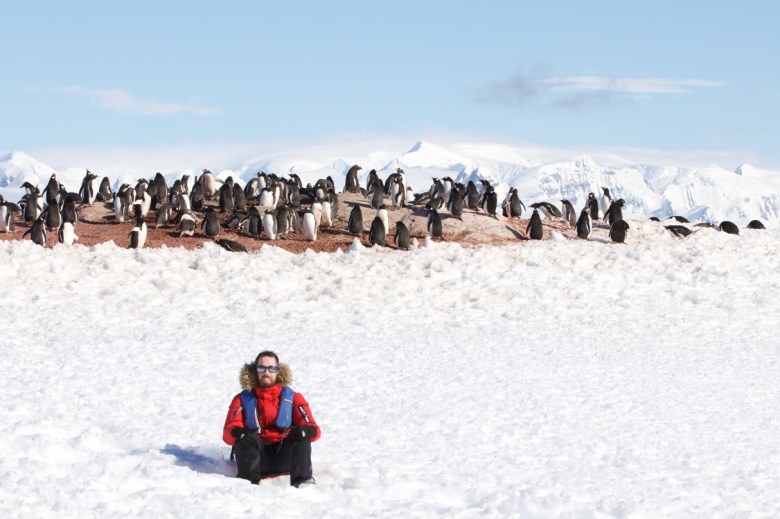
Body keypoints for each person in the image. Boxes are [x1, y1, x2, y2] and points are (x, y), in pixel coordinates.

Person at [223, 350, 320, 487]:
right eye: (261, 368)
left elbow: (315, 430)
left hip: (287, 458)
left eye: (271, 368)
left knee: (301, 434)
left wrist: (306, 431)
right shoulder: (241, 399)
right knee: (244, 438)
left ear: (278, 371)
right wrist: (238, 433)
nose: (266, 372)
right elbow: (228, 434)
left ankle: (303, 482)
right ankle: (247, 486)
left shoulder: (294, 398)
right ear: (255, 371)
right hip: (256, 459)